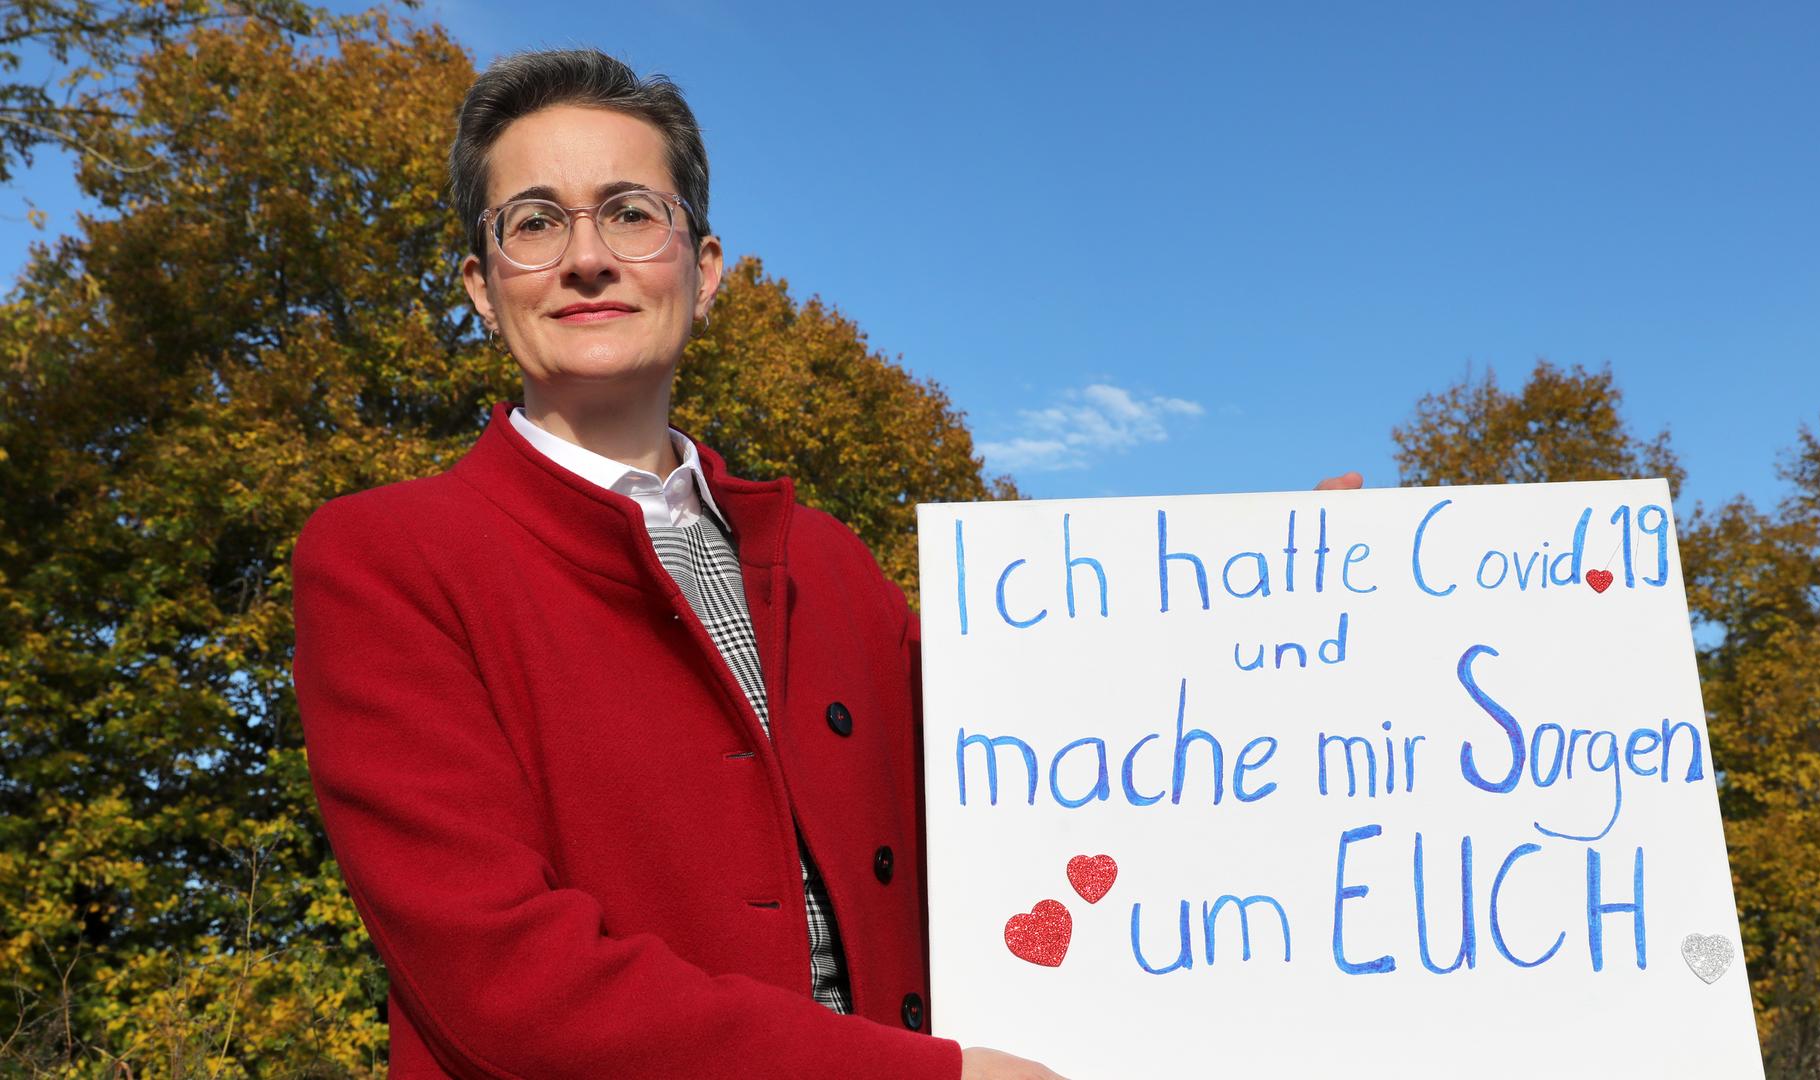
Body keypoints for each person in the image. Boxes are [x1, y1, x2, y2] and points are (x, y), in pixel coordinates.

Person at [292, 48, 1360, 1080]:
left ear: (702, 271)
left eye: (630, 211)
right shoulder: (386, 559)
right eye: (533, 222)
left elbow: (1056, 764)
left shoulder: (828, 563)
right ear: (483, 286)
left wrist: (1263, 608)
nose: (586, 255)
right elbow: (501, 979)